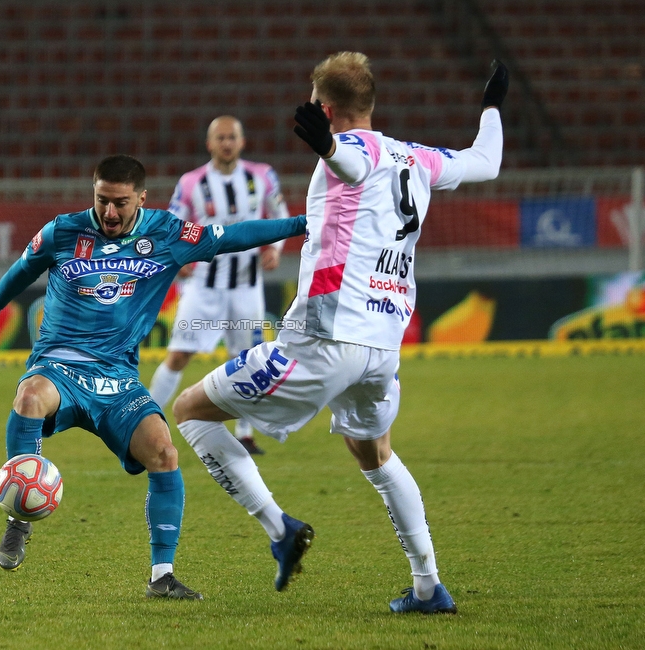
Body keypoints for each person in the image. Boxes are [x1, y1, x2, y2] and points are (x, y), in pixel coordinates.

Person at [172, 53, 507, 612]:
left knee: (189, 410)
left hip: (323, 342)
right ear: (371, 102)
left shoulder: (350, 150)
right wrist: (492, 103)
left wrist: (327, 147)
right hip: (383, 345)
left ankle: (279, 529)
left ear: (325, 108)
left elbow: (351, 161)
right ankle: (428, 586)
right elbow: (486, 161)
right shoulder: (416, 157)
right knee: (373, 452)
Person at [0, 154, 306, 600]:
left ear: (141, 198)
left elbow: (233, 236)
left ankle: (161, 577)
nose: (109, 212)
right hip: (60, 368)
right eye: (102, 200)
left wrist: (300, 222)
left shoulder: (166, 233)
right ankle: (18, 520)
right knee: (30, 397)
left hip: (119, 378)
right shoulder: (62, 231)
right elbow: (22, 270)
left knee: (164, 452)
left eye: (120, 203)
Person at [149, 116, 291, 456]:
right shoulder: (191, 182)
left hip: (246, 284)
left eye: (232, 137)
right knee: (180, 353)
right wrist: (177, 258)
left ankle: (244, 433)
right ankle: (141, 421)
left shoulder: (262, 176)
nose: (226, 143)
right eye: (220, 138)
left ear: (242, 142)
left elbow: (281, 213)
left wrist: (275, 248)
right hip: (203, 284)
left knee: (247, 358)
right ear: (210, 143)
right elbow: (173, 225)